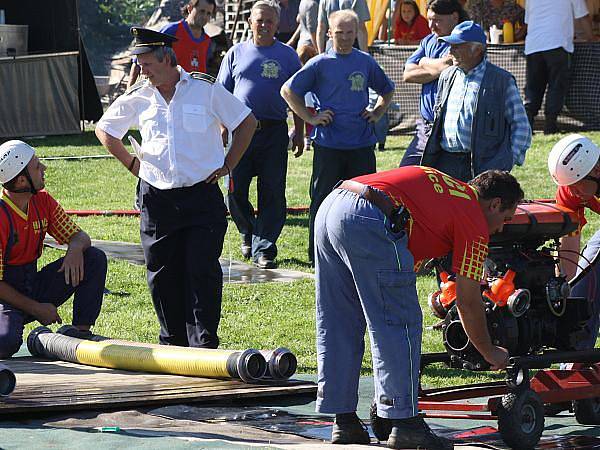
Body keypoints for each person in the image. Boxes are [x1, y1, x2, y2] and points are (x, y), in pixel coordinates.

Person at [315, 166, 522, 448]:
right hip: (371, 215)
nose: (500, 228)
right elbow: (469, 301)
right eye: (504, 219)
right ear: (495, 204)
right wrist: (489, 351)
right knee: (398, 323)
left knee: (338, 320)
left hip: (332, 206)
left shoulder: (449, 192)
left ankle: (344, 421)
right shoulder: (473, 216)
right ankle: (405, 424)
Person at [95, 28, 256, 349]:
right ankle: (172, 342)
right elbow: (105, 130)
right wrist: (131, 164)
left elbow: (246, 122)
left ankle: (204, 342)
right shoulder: (139, 95)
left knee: (202, 271)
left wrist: (228, 165)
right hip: (157, 198)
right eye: (138, 64)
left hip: (201, 196)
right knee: (162, 272)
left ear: (167, 59)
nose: (140, 70)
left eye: (145, 63)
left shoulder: (204, 89)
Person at [281, 9, 395, 263]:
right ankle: (318, 253)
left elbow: (387, 90)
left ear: (357, 33)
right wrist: (310, 119)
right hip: (329, 144)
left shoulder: (364, 61)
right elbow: (288, 91)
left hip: (361, 143)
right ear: (330, 33)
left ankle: (363, 250)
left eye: (349, 33)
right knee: (322, 199)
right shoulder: (320, 63)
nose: (344, 38)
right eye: (339, 33)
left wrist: (376, 112)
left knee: (366, 201)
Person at [0, 141, 107, 358]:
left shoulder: (43, 200)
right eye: (37, 166)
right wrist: (37, 309)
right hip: (5, 296)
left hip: (31, 284)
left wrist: (75, 248)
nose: (44, 169)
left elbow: (79, 236)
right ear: (21, 180)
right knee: (5, 343)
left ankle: (79, 334)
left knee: (94, 258)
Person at [217, 0, 303, 269]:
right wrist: (221, 126)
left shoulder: (288, 56)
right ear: (249, 22)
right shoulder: (235, 53)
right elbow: (220, 94)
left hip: (274, 132)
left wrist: (299, 131)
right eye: (259, 20)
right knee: (235, 190)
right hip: (239, 131)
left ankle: (265, 248)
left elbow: (298, 96)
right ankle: (247, 232)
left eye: (269, 21)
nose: (264, 25)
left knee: (273, 192)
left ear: (277, 25)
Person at [420, 21, 531, 182]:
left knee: (476, 207)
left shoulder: (501, 80)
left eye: (457, 46)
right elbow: (437, 117)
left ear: (477, 49)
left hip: (483, 166)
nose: (451, 50)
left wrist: (506, 161)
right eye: (451, 45)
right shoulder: (446, 76)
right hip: (445, 162)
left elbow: (521, 126)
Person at [399, 0, 468, 167]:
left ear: (454, 16)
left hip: (452, 128)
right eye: (429, 19)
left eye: (437, 20)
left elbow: (449, 64)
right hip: (426, 127)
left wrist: (423, 62)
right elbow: (407, 74)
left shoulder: (464, 39)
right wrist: (438, 67)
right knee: (407, 172)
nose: (431, 25)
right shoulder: (428, 40)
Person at [548, 134, 600, 350]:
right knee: (585, 278)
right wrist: (565, 290)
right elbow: (569, 244)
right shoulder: (569, 191)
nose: (573, 192)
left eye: (577, 186)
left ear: (596, 171)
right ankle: (575, 358)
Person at [524, 0, 596, 134]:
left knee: (533, 88)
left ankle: (527, 123)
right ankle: (550, 125)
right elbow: (583, 17)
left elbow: (528, 21)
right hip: (558, 43)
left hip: (533, 45)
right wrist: (592, 39)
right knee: (556, 86)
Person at [128, 0, 216, 89]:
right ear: (190, 8)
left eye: (209, 13)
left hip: (194, 95)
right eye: (201, 11)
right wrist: (129, 89)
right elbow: (140, 59)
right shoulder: (172, 30)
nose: (204, 16)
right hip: (168, 94)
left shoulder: (207, 41)